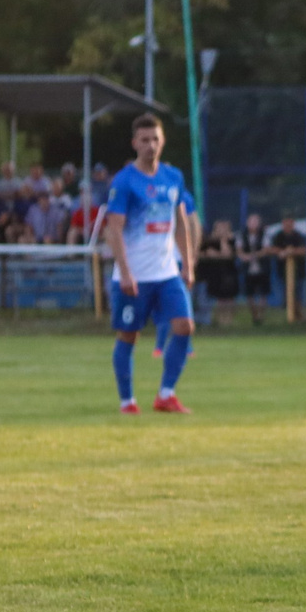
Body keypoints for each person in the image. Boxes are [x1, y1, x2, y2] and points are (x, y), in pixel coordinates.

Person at [101, 114, 200, 414]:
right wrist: (126, 272)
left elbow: (180, 221)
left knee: (185, 326)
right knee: (129, 335)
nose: (150, 145)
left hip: (166, 272)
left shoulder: (172, 177)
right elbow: (113, 227)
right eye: (144, 140)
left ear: (163, 141)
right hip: (134, 276)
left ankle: (165, 395)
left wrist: (188, 264)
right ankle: (127, 401)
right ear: (135, 144)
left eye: (155, 139)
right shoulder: (125, 181)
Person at [197, 218, 241, 324]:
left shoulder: (232, 241)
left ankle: (229, 321)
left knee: (229, 298)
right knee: (218, 299)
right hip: (214, 275)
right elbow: (201, 253)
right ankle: (219, 321)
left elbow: (227, 254)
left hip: (229, 273)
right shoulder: (209, 241)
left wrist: (223, 241)